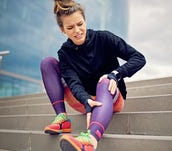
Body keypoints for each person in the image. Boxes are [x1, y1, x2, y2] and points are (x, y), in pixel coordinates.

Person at [40, 0, 146, 150]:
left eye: (80, 24)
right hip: (84, 101)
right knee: (48, 63)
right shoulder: (64, 53)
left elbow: (139, 58)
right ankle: (62, 119)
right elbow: (73, 81)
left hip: (110, 95)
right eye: (70, 27)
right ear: (62, 30)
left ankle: (90, 139)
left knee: (104, 80)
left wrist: (116, 74)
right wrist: (85, 99)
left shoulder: (104, 38)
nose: (77, 30)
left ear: (85, 20)